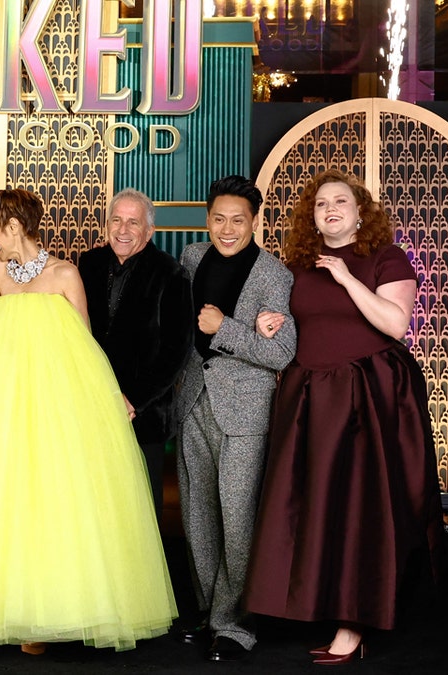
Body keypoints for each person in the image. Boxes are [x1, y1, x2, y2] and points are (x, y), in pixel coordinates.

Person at [0, 188, 177, 654]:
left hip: (59, 410)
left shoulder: (66, 273)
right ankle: (24, 613)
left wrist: (101, 409)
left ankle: (67, 608)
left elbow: (85, 349)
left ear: (12, 226)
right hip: (8, 409)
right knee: (15, 504)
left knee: (61, 504)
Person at [243, 169, 445, 665]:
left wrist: (347, 277)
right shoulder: (300, 264)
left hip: (367, 394)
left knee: (361, 510)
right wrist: (272, 321)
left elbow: (394, 324)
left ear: (360, 212)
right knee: (314, 508)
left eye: (340, 201)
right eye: (319, 204)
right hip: (310, 396)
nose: (329, 208)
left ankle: (353, 626)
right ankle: (313, 605)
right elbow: (308, 321)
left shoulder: (386, 257)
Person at [173, 175, 296, 662]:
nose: (227, 229)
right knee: (197, 516)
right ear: (208, 219)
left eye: (238, 220)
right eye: (219, 219)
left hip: (245, 409)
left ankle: (236, 625)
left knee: (238, 520)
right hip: (193, 402)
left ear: (254, 221)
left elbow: (282, 352)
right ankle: (209, 612)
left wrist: (225, 328)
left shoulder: (273, 275)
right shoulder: (191, 258)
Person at [77, 188, 194, 516]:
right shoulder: (88, 264)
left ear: (149, 231)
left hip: (144, 414)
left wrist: (133, 400)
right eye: (116, 220)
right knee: (94, 503)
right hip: (92, 406)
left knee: (140, 508)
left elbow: (177, 349)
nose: (123, 230)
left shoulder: (171, 273)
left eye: (133, 222)